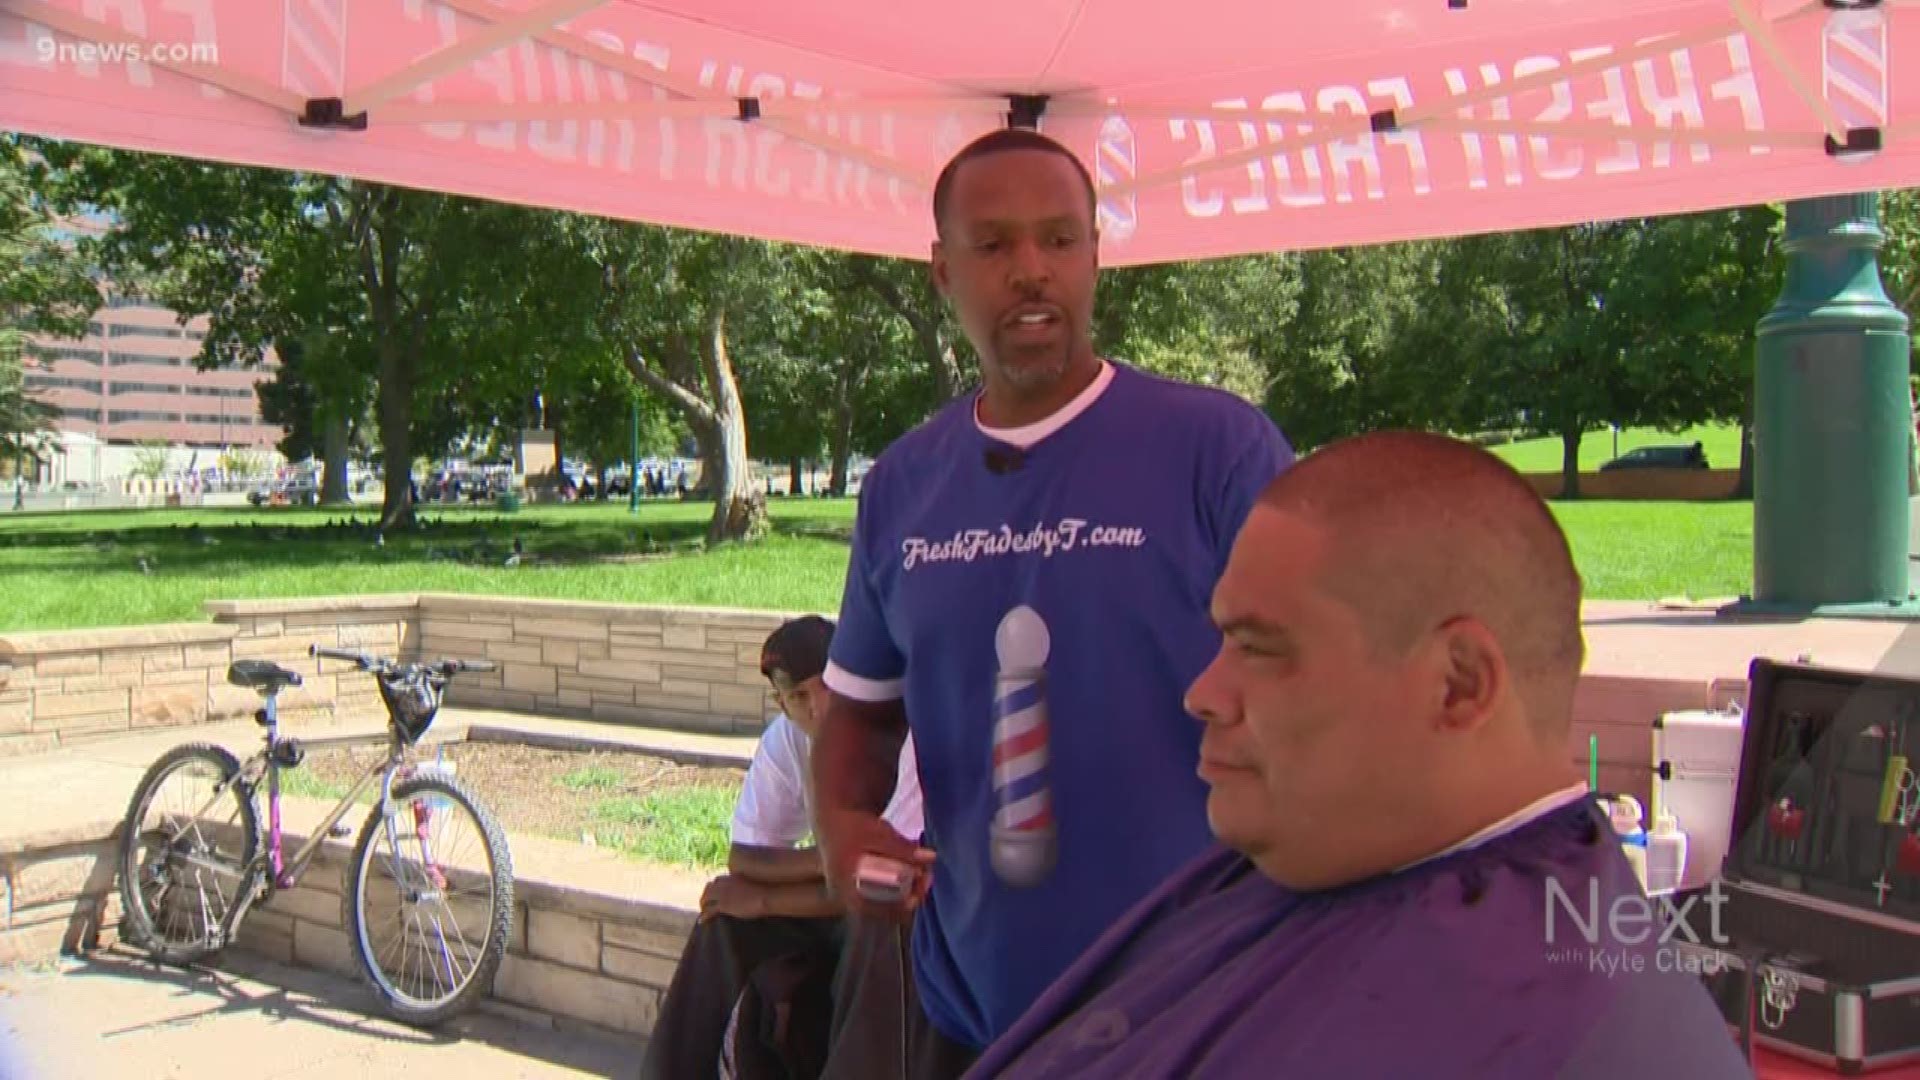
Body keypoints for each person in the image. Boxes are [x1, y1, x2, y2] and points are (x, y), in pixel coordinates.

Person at [963, 431, 1753, 1079]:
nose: (1203, 692)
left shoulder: (1529, 1030)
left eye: (1260, 650)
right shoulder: (1332, 850)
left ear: (1458, 685)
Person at [811, 127, 1296, 1078]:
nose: (1030, 271)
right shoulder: (905, 487)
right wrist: (840, 827)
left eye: (1059, 240)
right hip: (975, 1014)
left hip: (1201, 1005)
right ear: (943, 273)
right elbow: (860, 718)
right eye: (993, 247)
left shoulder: (1218, 452)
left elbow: (1332, 691)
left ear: (1095, 258)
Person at [640, 615, 925, 1080]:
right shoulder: (788, 741)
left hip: (900, 911)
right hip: (837, 896)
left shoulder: (902, 730)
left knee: (879, 919)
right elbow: (746, 858)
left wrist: (769, 897)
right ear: (781, 703)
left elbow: (891, 879)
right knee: (724, 918)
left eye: (825, 688)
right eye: (797, 697)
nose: (816, 708)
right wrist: (834, 856)